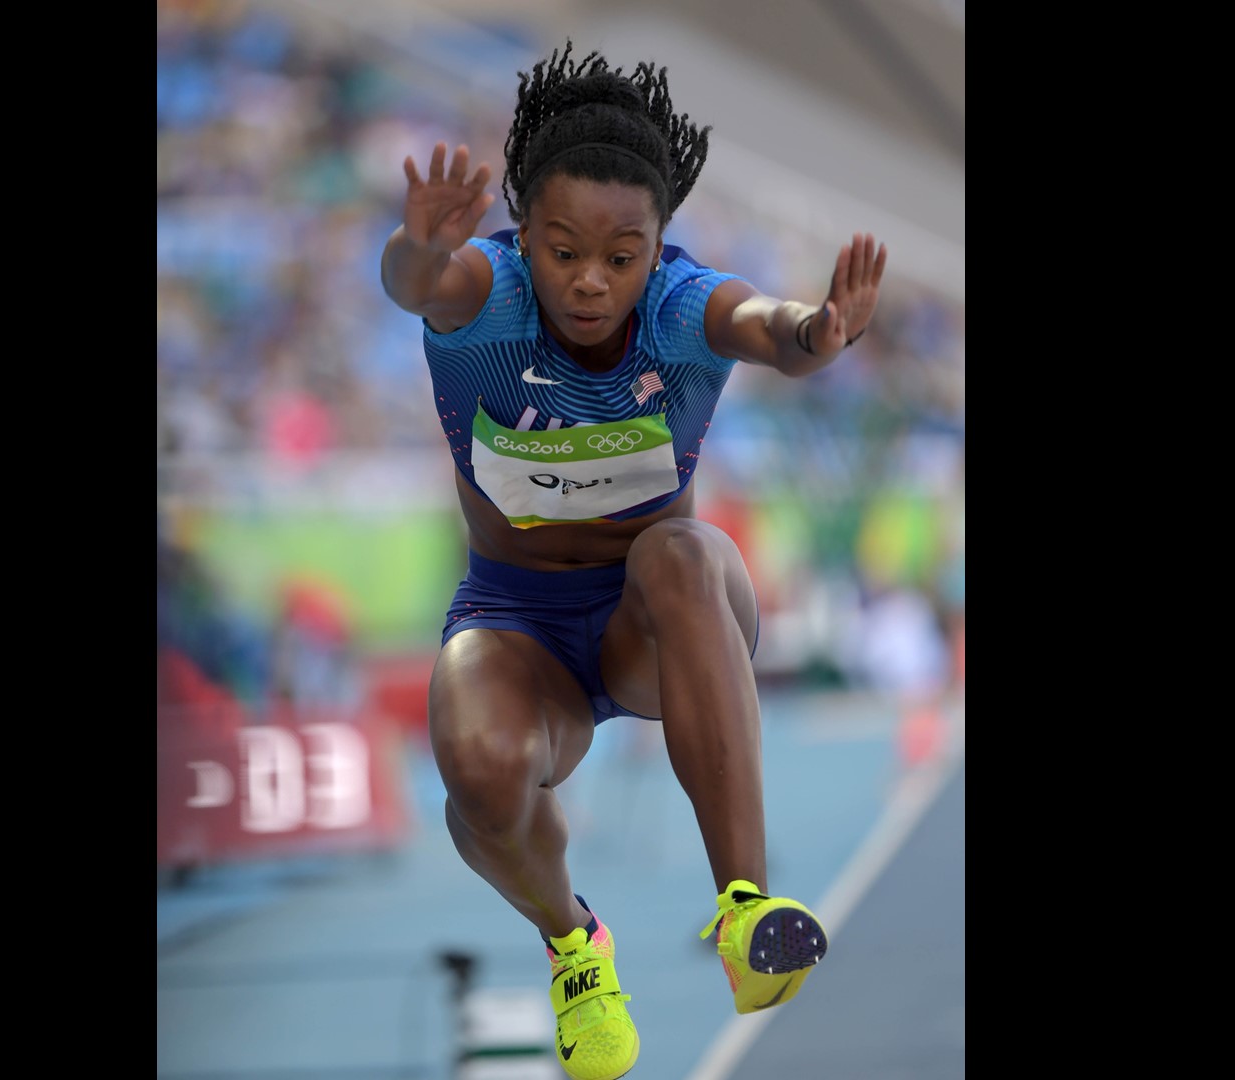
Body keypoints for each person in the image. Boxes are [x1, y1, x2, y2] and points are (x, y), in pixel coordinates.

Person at [378, 42, 885, 1080]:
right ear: (527, 234)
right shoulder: (487, 298)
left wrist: (815, 331)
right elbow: (420, 285)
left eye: (622, 256)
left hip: (655, 627)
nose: (591, 283)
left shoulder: (679, 309)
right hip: (518, 626)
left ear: (660, 247)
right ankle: (574, 943)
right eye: (563, 251)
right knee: (476, 781)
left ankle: (746, 911)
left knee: (685, 552)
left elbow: (765, 326)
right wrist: (415, 254)